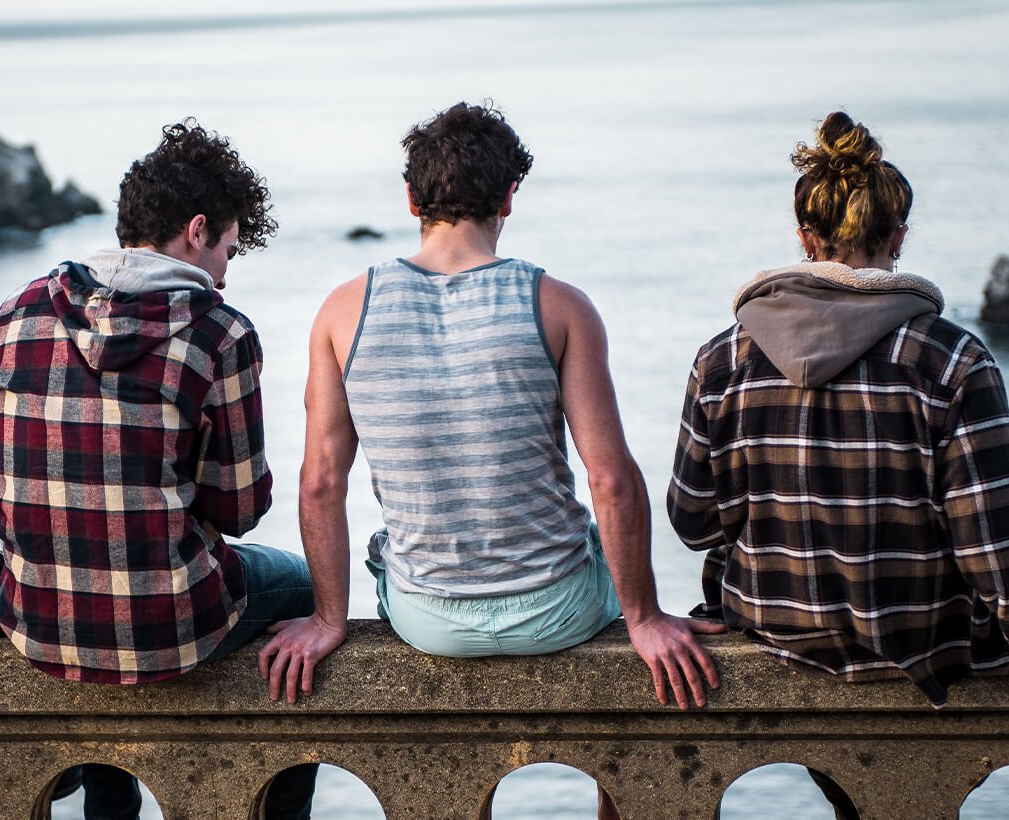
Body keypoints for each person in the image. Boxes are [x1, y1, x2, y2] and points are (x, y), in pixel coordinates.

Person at [667, 111, 1009, 722]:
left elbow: (693, 523)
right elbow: (998, 548)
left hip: (772, 638)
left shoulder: (723, 358)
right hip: (926, 651)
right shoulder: (950, 360)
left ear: (806, 238)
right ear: (898, 237)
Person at [260, 102, 721, 706]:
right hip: (560, 608)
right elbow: (610, 479)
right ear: (508, 198)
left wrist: (326, 620)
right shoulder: (558, 305)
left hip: (427, 621)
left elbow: (321, 482)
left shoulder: (343, 312)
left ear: (410, 200)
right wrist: (645, 618)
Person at [0, 120, 316, 820]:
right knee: (302, 588)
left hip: (38, 615)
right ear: (196, 230)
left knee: (92, 567)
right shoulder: (220, 333)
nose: (224, 271)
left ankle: (110, 806)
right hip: (170, 626)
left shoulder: (15, 314)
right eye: (229, 250)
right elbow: (240, 509)